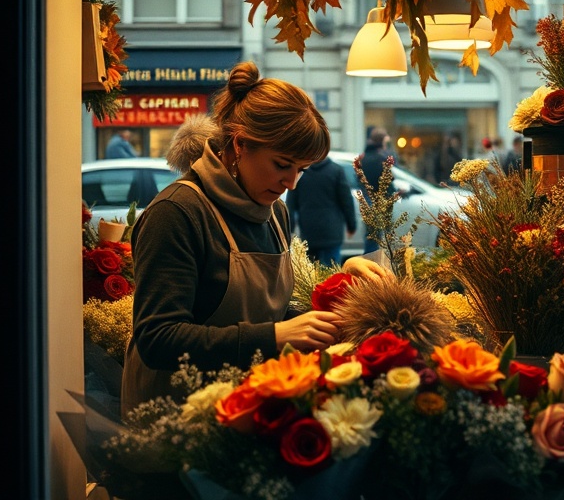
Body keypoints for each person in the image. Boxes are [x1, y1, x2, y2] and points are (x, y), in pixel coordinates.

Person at [122, 61, 389, 418]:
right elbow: (158, 338)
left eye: (302, 169)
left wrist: (344, 291)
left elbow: (268, 312)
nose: (292, 182)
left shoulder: (274, 212)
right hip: (177, 420)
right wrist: (274, 337)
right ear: (240, 144)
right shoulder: (177, 212)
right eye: (282, 164)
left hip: (247, 410)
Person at [285, 156, 357, 267]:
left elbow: (291, 203)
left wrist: (289, 229)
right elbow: (346, 201)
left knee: (310, 276)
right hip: (331, 232)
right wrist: (351, 225)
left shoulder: (301, 172)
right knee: (331, 275)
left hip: (309, 231)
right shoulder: (336, 170)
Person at [358, 126, 395, 253]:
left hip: (367, 198)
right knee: (383, 238)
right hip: (380, 200)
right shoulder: (381, 158)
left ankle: (370, 261)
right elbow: (388, 181)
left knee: (371, 237)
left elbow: (359, 178)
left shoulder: (364, 157)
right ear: (382, 141)